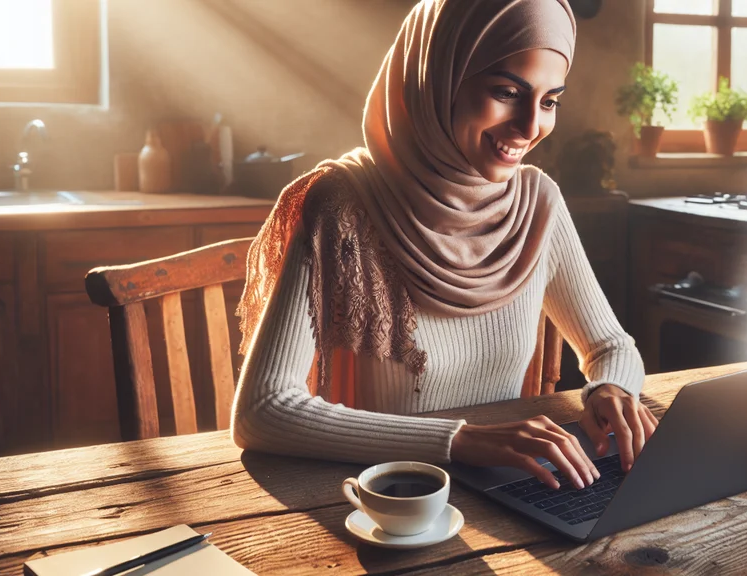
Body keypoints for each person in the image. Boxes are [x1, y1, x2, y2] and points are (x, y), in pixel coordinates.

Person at [229, 0, 652, 491]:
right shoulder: (342, 206)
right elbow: (263, 410)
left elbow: (609, 345)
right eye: (506, 92)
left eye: (550, 101)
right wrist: (461, 441)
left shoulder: (538, 203)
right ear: (438, 79)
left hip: (506, 490)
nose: (531, 126)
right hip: (384, 502)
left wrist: (613, 387)